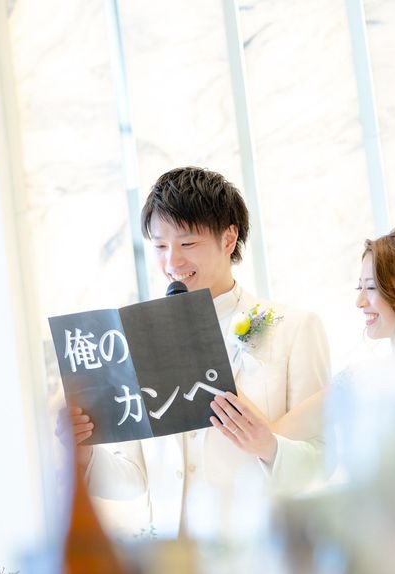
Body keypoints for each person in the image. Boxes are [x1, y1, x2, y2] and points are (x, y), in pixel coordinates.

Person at [70, 167, 331, 539]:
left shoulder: (294, 328)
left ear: (229, 238)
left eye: (187, 244)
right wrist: (85, 455)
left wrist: (268, 446)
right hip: (172, 554)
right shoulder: (134, 340)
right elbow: (135, 478)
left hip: (258, 548)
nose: (172, 263)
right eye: (160, 246)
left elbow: (324, 461)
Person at [211, 224, 395, 469]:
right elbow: (274, 436)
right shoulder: (360, 380)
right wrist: (218, 374)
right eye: (360, 288)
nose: (359, 302)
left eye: (371, 288)